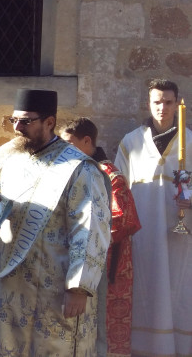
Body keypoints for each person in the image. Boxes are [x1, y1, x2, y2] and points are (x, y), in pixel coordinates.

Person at [0, 89, 111, 355]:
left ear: (49, 122)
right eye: (14, 120)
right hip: (14, 284)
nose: (17, 128)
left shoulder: (79, 168)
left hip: (57, 287)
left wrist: (78, 287)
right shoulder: (12, 161)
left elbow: (91, 227)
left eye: (26, 121)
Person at [114, 78, 191, 356]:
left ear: (177, 104)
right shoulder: (131, 142)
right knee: (146, 287)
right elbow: (118, 188)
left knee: (178, 288)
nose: (163, 107)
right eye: (157, 101)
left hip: (180, 233)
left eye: (169, 102)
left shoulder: (191, 141)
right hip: (142, 232)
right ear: (149, 103)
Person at [61, 117, 141, 357]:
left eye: (69, 143)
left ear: (87, 142)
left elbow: (124, 219)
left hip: (106, 263)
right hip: (77, 259)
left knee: (102, 330)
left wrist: (85, 234)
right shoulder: (72, 169)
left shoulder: (109, 174)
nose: (64, 150)